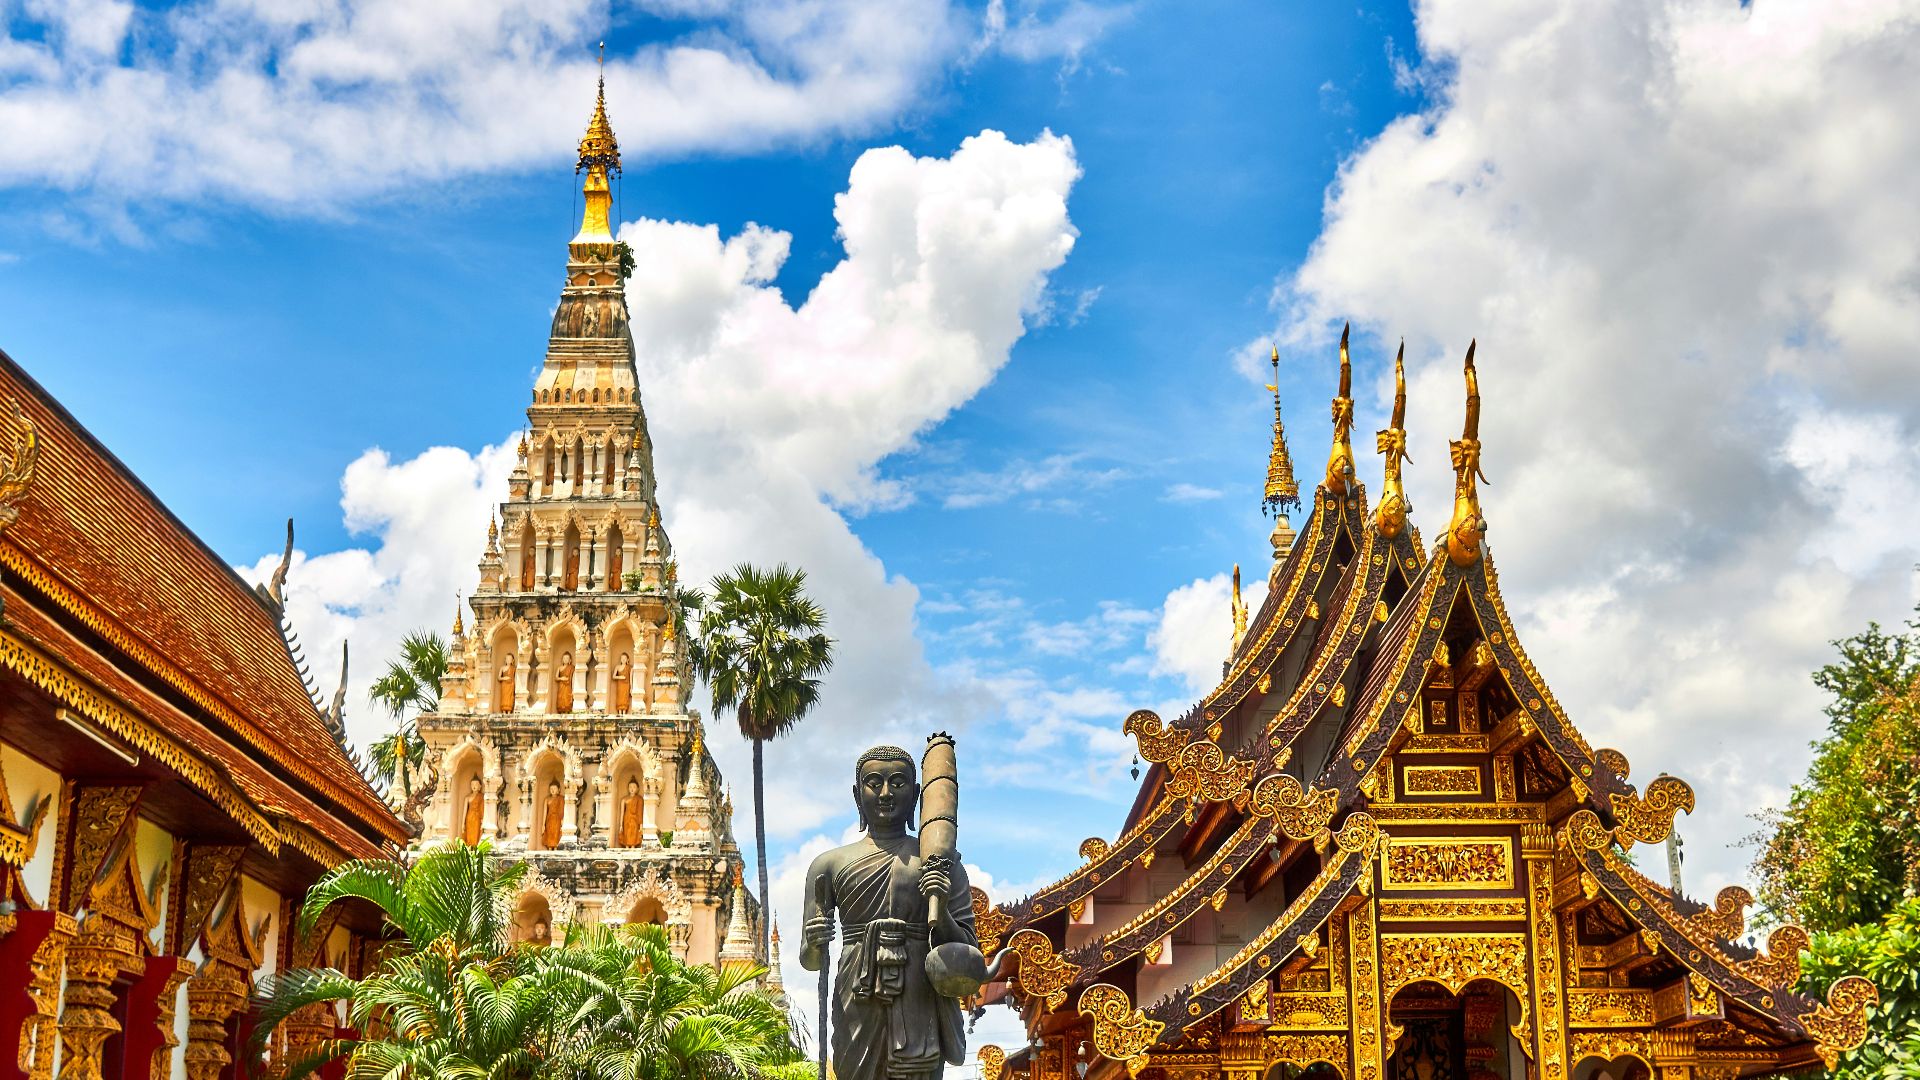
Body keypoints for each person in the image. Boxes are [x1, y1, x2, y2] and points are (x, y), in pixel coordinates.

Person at [800, 746, 976, 1080]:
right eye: (873, 783)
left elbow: (967, 949)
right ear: (857, 795)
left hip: (919, 993)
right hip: (857, 992)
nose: (884, 793)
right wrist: (815, 940)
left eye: (897, 783)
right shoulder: (827, 865)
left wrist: (940, 908)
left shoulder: (941, 862)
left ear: (916, 796)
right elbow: (809, 960)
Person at [619, 777, 645, 846]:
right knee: (626, 832)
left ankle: (633, 845)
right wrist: (621, 825)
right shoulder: (624, 799)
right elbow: (622, 813)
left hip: (635, 819)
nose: (632, 789)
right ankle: (626, 845)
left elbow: (640, 812)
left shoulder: (639, 799)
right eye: (630, 787)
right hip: (626, 819)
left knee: (633, 832)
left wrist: (641, 825)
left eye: (634, 787)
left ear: (637, 789)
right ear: (628, 788)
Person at [541, 780, 565, 848]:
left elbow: (562, 811)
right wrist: (543, 825)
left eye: (554, 789)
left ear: (559, 789)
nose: (552, 790)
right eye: (551, 789)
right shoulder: (547, 799)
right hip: (549, 820)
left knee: (556, 834)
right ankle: (549, 848)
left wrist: (562, 822)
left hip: (557, 819)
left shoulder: (561, 799)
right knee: (549, 834)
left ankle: (556, 847)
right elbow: (545, 812)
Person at [461, 776, 485, 845]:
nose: (474, 786)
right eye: (472, 785)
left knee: (476, 835)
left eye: (476, 784)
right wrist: (463, 824)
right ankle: (469, 850)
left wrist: (483, 820)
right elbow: (465, 811)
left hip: (477, 818)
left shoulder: (481, 797)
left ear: (480, 786)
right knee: (469, 836)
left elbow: (482, 809)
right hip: (469, 819)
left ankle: (475, 850)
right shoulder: (467, 797)